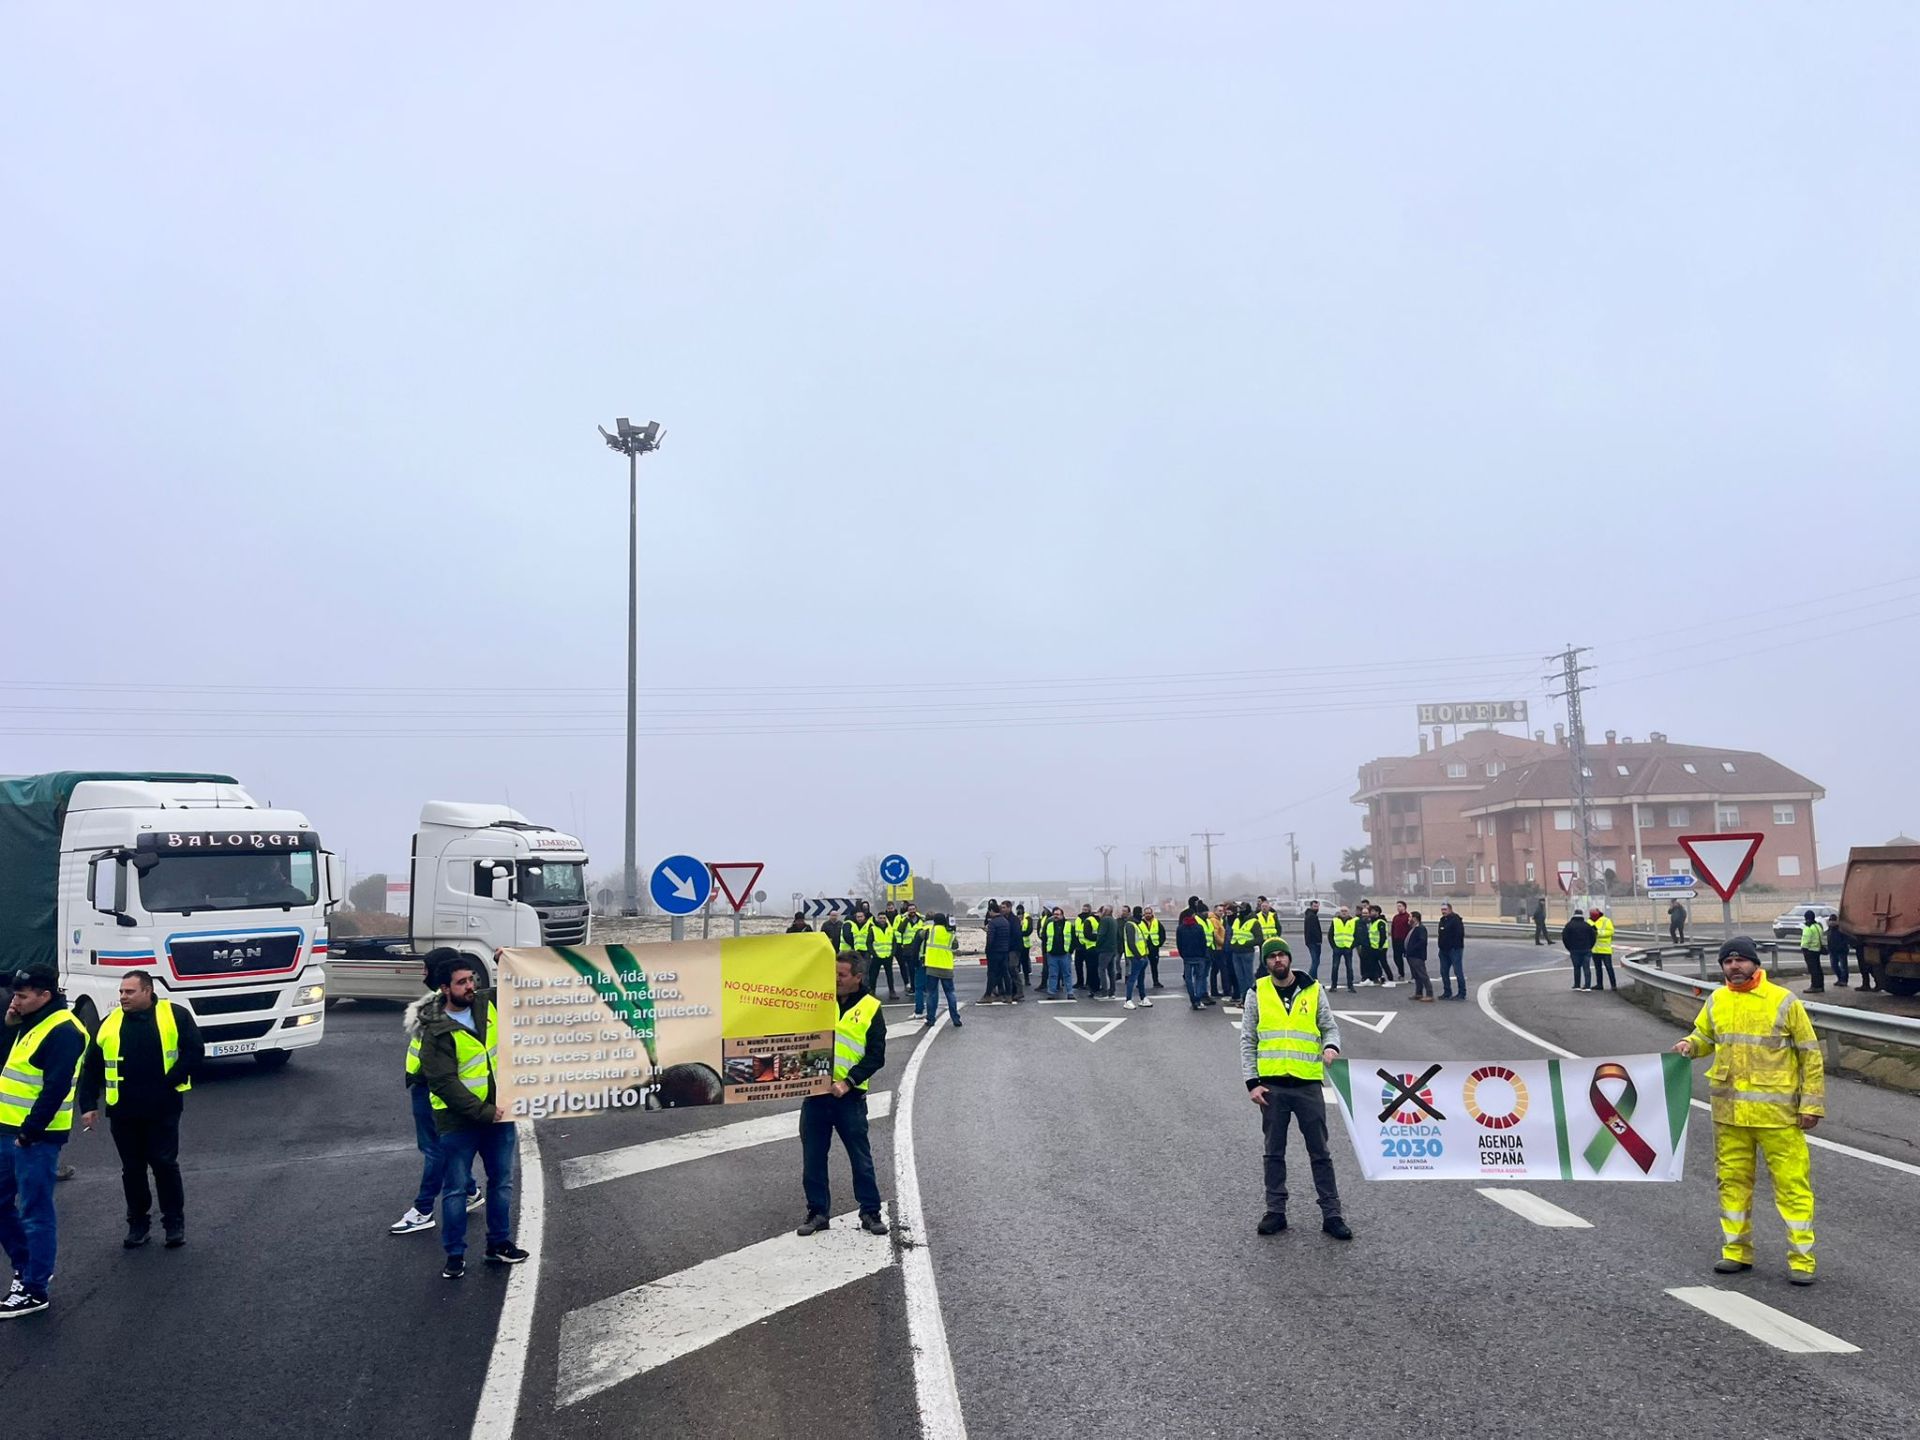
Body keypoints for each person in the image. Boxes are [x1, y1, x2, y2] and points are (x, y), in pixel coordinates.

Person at [1672, 936, 1823, 1284]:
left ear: (1755, 964)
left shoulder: (1783, 1001)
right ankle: (1736, 1252)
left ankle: (1802, 1260)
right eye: (1727, 962)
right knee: (1732, 1184)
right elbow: (1704, 1037)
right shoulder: (1717, 1000)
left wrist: (1811, 1104)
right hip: (1729, 1117)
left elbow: (1810, 1055)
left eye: (1740, 960)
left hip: (1779, 1118)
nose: (1734, 967)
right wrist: (1688, 1045)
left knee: (1792, 1188)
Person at [420, 956, 529, 1280]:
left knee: (502, 1183)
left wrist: (507, 961)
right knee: (455, 1190)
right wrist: (483, 1111)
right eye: (462, 982)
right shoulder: (435, 1029)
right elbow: (443, 1082)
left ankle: (499, 1244)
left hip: (500, 1115)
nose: (470, 986)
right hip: (459, 1123)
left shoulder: (486, 1003)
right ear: (444, 988)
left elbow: (525, 987)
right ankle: (455, 1255)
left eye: (472, 980)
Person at [76, 970, 202, 1249]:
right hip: (123, 1110)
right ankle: (138, 1224)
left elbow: (195, 1052)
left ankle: (174, 1223)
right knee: (132, 1169)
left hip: (163, 1107)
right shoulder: (109, 1023)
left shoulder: (175, 1015)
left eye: (129, 992)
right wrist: (88, 1105)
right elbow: (92, 1066)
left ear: (148, 991)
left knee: (164, 1165)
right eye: (121, 992)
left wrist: (169, 1083)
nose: (123, 997)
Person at [1240, 940, 1352, 1241]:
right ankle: (1275, 1211)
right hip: (1272, 1086)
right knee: (1273, 1153)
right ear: (1266, 963)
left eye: (1281, 955)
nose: (1278, 960)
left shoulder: (1313, 989)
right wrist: (1252, 1082)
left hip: (1307, 1085)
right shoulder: (1257, 992)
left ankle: (1332, 1214)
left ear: (1289, 959)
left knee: (1320, 1153)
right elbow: (1248, 1039)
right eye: (1272, 957)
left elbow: (1329, 1027)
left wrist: (1331, 1047)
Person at [0, 965, 89, 1319]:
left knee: (35, 1211)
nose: (15, 1001)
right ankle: (27, 1268)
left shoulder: (65, 1031)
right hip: (9, 1130)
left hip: (33, 1138)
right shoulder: (34, 1020)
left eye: (21, 996)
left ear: (45, 996)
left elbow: (56, 1087)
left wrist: (29, 1133)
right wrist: (13, 1018)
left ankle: (35, 1290)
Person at [391, 948, 483, 1236]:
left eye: (426, 969)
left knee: (435, 1150)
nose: (423, 975)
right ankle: (470, 1191)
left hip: (432, 1086)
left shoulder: (437, 1010)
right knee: (442, 1148)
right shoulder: (432, 1005)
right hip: (423, 1083)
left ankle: (423, 1209)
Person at [798, 955, 889, 1237]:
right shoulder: (819, 1001)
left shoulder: (871, 1008)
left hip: (848, 1097)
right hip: (815, 1094)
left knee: (860, 1158)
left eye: (841, 974)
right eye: (834, 973)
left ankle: (870, 1212)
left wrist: (849, 1082)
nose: (836, 978)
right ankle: (817, 1212)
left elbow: (876, 1056)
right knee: (813, 1157)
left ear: (858, 977)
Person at [919, 915, 962, 1029]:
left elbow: (920, 934)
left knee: (931, 993)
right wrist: (952, 929)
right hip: (946, 967)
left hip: (932, 966)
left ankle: (931, 1019)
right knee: (950, 993)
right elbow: (955, 946)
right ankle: (955, 1018)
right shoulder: (950, 933)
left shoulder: (930, 930)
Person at [1176, 905, 1212, 1009]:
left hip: (1187, 957)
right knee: (1200, 978)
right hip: (1200, 957)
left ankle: (1192, 998)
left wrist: (1183, 955)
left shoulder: (1180, 928)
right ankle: (1198, 998)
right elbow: (1203, 942)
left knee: (1188, 979)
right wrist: (1203, 954)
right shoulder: (1199, 927)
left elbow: (1179, 944)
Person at [1227, 903, 1260, 1006]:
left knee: (1248, 977)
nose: (1240, 911)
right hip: (1236, 952)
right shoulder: (1237, 920)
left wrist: (1246, 944)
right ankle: (1243, 998)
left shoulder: (1253, 922)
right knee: (1240, 977)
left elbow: (1259, 938)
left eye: (1242, 909)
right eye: (1240, 909)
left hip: (1247, 953)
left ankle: (1251, 999)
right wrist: (1232, 943)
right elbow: (1232, 933)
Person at [1042, 906, 1077, 998]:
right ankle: (1052, 992)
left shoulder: (1068, 925)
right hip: (1052, 954)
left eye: (1057, 914)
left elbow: (1073, 939)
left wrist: (1070, 950)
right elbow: (1044, 938)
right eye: (1054, 914)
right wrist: (1046, 951)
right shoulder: (1049, 925)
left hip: (1064, 954)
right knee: (1053, 974)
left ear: (1062, 915)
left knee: (1067, 974)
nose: (1055, 916)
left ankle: (1070, 992)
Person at [1122, 909, 1154, 1009]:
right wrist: (1138, 956)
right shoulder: (1130, 925)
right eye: (1141, 914)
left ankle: (1143, 997)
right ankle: (1128, 1000)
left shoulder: (1135, 925)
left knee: (1141, 978)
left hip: (1142, 956)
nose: (1142, 916)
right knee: (1133, 978)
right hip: (1136, 956)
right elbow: (1131, 943)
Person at [982, 904, 1013, 1004]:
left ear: (991, 911)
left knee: (992, 974)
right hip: (1004, 951)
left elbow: (990, 939)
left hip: (994, 952)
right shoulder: (1005, 921)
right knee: (1005, 973)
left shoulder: (993, 923)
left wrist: (987, 950)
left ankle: (988, 995)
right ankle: (1008, 995)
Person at [895, 904, 926, 1002]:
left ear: (916, 910)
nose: (912, 911)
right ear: (907, 911)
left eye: (913, 909)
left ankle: (923, 987)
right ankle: (913, 988)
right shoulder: (905, 920)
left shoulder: (921, 920)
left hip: (919, 948)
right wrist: (906, 920)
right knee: (911, 970)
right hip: (908, 948)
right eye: (910, 910)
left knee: (921, 969)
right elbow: (900, 930)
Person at [1436, 903, 1467, 1001]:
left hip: (1454, 950)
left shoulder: (1456, 920)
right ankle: (1447, 992)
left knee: (1458, 971)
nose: (1443, 911)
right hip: (1443, 951)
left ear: (1450, 909)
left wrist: (1454, 946)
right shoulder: (1442, 920)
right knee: (1443, 972)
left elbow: (1459, 934)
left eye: (1445, 909)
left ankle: (1462, 993)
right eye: (1442, 910)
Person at [1561, 908, 1596, 991]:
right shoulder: (1587, 925)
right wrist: (1590, 946)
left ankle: (1577, 985)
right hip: (1586, 949)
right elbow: (1593, 937)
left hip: (1574, 950)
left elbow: (1564, 938)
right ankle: (1587, 986)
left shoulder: (1569, 925)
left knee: (1576, 968)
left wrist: (1569, 948)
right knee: (1586, 968)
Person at [1403, 911, 1433, 1002]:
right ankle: (1418, 993)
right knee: (1416, 975)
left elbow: (1422, 941)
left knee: (1422, 975)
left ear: (1415, 918)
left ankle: (1429, 994)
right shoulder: (1413, 928)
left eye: (1410, 917)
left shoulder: (1421, 929)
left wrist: (1412, 949)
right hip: (1411, 956)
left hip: (1417, 956)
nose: (1408, 919)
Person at [1327, 906, 1358, 994]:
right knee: (1335, 967)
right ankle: (1333, 986)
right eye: (1342, 911)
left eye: (1345, 911)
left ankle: (1350, 986)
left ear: (1348, 912)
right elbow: (1330, 934)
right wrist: (1333, 946)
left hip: (1348, 947)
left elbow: (1356, 935)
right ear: (1340, 912)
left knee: (1349, 967)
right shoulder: (1335, 921)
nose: (1344, 912)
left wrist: (1352, 946)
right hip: (1337, 947)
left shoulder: (1353, 921)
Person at [1094, 905, 1121, 1000]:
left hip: (1105, 949)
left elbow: (1101, 935)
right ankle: (1112, 992)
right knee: (1111, 971)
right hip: (1113, 949)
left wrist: (1097, 946)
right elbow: (1118, 935)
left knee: (1101, 970)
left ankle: (1104, 992)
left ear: (1104, 911)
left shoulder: (1104, 920)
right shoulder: (1114, 920)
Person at [1589, 907, 1617, 992]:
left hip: (1605, 950)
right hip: (1595, 949)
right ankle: (1599, 984)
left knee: (1609, 967)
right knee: (1598, 968)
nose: (1593, 916)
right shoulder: (1589, 922)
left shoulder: (1606, 920)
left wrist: (1598, 933)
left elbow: (1611, 931)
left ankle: (1613, 985)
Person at [1798, 910, 1826, 995]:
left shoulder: (1808, 928)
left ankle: (1815, 986)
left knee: (1813, 970)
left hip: (1809, 951)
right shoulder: (1817, 926)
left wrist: (1804, 948)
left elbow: (1806, 939)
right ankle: (1820, 985)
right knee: (1818, 968)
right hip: (1817, 950)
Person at [1074, 904, 1100, 994]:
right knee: (1078, 965)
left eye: (1086, 909)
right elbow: (1076, 931)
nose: (1084, 911)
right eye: (1083, 909)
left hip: (1088, 945)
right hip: (1079, 945)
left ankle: (1088, 983)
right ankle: (1079, 982)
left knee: (1090, 966)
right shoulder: (1078, 918)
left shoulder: (1091, 919)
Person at [1142, 906, 1166, 989]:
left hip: (1154, 948)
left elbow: (1162, 933)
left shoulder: (1156, 922)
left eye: (1149, 913)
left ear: (1152, 914)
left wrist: (1159, 944)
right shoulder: (1140, 923)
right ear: (1143, 914)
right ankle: (1140, 982)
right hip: (1143, 948)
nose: (1148, 915)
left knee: (1154, 966)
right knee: (1142, 967)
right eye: (1146, 913)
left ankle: (1156, 982)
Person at [1302, 900, 1324, 980]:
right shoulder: (1312, 916)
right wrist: (1318, 940)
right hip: (1314, 942)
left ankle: (1315, 979)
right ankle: (1310, 979)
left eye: (1317, 906)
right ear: (1311, 906)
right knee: (1315, 962)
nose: (1316, 908)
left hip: (1310, 942)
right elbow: (1313, 930)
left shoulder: (1310, 915)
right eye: (1315, 906)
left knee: (1315, 961)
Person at [1390, 902, 1412, 979]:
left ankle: (1414, 974)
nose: (1398, 908)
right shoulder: (1395, 917)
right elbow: (1393, 930)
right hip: (1397, 941)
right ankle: (1401, 973)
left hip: (1405, 941)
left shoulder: (1408, 917)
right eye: (1397, 906)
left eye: (1400, 906)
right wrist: (1393, 940)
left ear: (1404, 907)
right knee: (1397, 958)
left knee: (1410, 958)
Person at [1828, 922, 1851, 990]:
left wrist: (1842, 946)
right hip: (1833, 950)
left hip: (1841, 950)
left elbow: (1846, 939)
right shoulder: (1830, 930)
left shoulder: (1841, 929)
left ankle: (1844, 980)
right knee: (1834, 965)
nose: (1831, 923)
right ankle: (1840, 978)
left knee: (1843, 966)